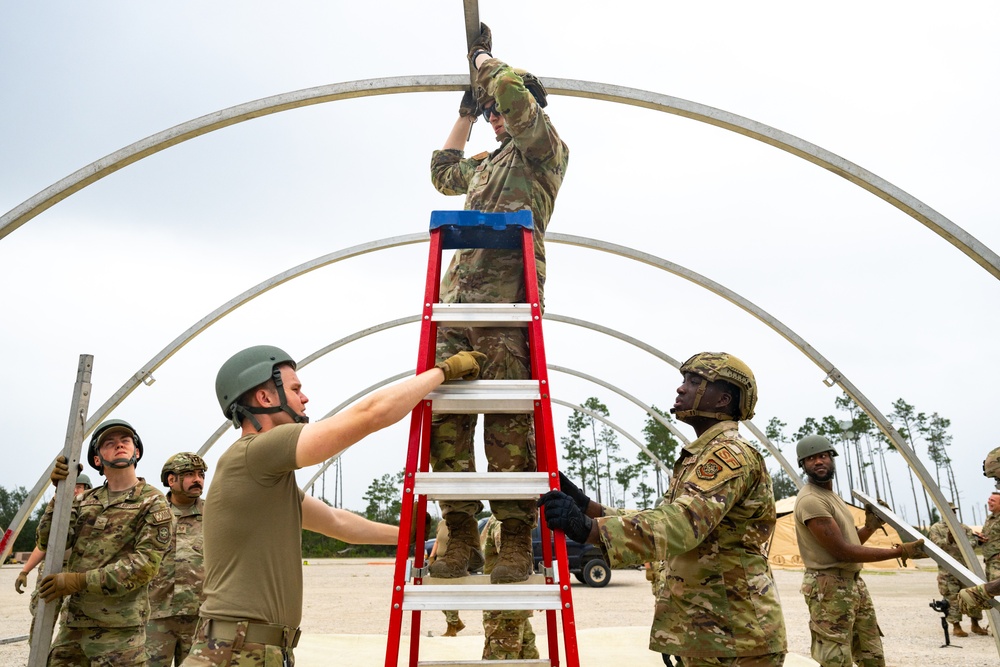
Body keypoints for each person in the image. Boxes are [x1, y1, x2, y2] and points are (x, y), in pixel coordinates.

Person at [181, 344, 485, 667]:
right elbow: (371, 415)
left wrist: (407, 536)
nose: (305, 397)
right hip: (235, 652)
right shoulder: (255, 452)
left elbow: (338, 523)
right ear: (265, 398)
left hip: (249, 649)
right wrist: (442, 372)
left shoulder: (263, 479)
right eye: (296, 389)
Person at [427, 22, 569, 585]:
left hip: (505, 312)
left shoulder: (543, 152)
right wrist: (465, 110)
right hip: (457, 312)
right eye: (489, 115)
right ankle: (459, 530)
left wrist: (483, 59)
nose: (495, 117)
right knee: (448, 422)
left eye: (499, 110)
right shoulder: (488, 164)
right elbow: (441, 174)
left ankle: (514, 536)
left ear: (530, 110)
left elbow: (510, 88)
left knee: (509, 427)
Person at [540, 352, 787, 666]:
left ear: (724, 399)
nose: (681, 389)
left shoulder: (728, 454)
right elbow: (665, 517)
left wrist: (589, 529)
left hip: (736, 639)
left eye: (695, 381)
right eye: (684, 380)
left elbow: (683, 523)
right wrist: (588, 507)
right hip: (712, 634)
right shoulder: (701, 456)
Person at [38, 419, 174, 666]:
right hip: (74, 627)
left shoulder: (152, 502)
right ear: (97, 459)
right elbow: (50, 541)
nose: (119, 446)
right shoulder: (84, 501)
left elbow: (143, 566)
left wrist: (79, 580)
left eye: (125, 441)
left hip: (120, 631)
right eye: (109, 443)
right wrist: (60, 494)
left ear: (137, 451)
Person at [792, 434, 928, 667]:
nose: (818, 462)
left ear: (832, 459)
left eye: (823, 456)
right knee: (835, 658)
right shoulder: (811, 501)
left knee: (870, 652)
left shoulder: (830, 496)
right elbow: (843, 551)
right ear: (803, 465)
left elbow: (850, 541)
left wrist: (870, 527)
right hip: (829, 587)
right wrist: (900, 552)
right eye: (811, 459)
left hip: (852, 583)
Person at [146, 453, 209, 666]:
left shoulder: (214, 514)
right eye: (189, 474)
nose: (197, 479)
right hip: (156, 616)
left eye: (201, 474)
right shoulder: (152, 514)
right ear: (171, 480)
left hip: (201, 617)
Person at [17, 474, 93, 645]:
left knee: (72, 620)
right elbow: (43, 546)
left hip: (76, 574)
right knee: (41, 615)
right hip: (51, 569)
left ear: (87, 489)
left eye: (78, 486)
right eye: (71, 485)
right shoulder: (55, 511)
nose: (74, 490)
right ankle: (37, 655)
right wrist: (24, 571)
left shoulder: (90, 512)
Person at [479, 514, 538, 660]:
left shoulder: (509, 518)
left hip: (513, 608)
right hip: (505, 610)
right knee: (504, 659)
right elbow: (512, 561)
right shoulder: (504, 521)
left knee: (529, 656)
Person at [927, 503, 987, 636]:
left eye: (954, 511)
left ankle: (975, 624)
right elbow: (936, 545)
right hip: (948, 570)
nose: (952, 514)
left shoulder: (964, 528)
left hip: (966, 568)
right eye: (950, 511)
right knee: (952, 597)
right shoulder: (936, 528)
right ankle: (956, 626)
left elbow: (972, 543)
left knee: (973, 595)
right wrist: (948, 540)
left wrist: (963, 542)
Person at [427, 520, 464, 636]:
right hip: (439, 561)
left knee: (450, 595)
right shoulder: (442, 523)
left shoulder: (460, 522)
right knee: (438, 595)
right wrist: (431, 557)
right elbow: (437, 541)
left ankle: (452, 627)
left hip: (452, 562)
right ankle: (457, 623)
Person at [982, 490, 1000, 582]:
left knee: (996, 586)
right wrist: (981, 537)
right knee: (990, 587)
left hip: (997, 560)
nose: (989, 502)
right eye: (989, 499)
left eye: (992, 500)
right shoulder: (989, 518)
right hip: (989, 559)